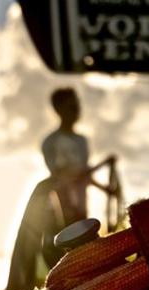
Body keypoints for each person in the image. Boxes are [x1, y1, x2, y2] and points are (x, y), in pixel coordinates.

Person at [41, 87, 90, 223]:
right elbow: (58, 177)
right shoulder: (50, 142)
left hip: (82, 212)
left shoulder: (82, 141)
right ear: (59, 109)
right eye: (72, 106)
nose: (77, 110)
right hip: (60, 215)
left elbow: (84, 174)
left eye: (77, 106)